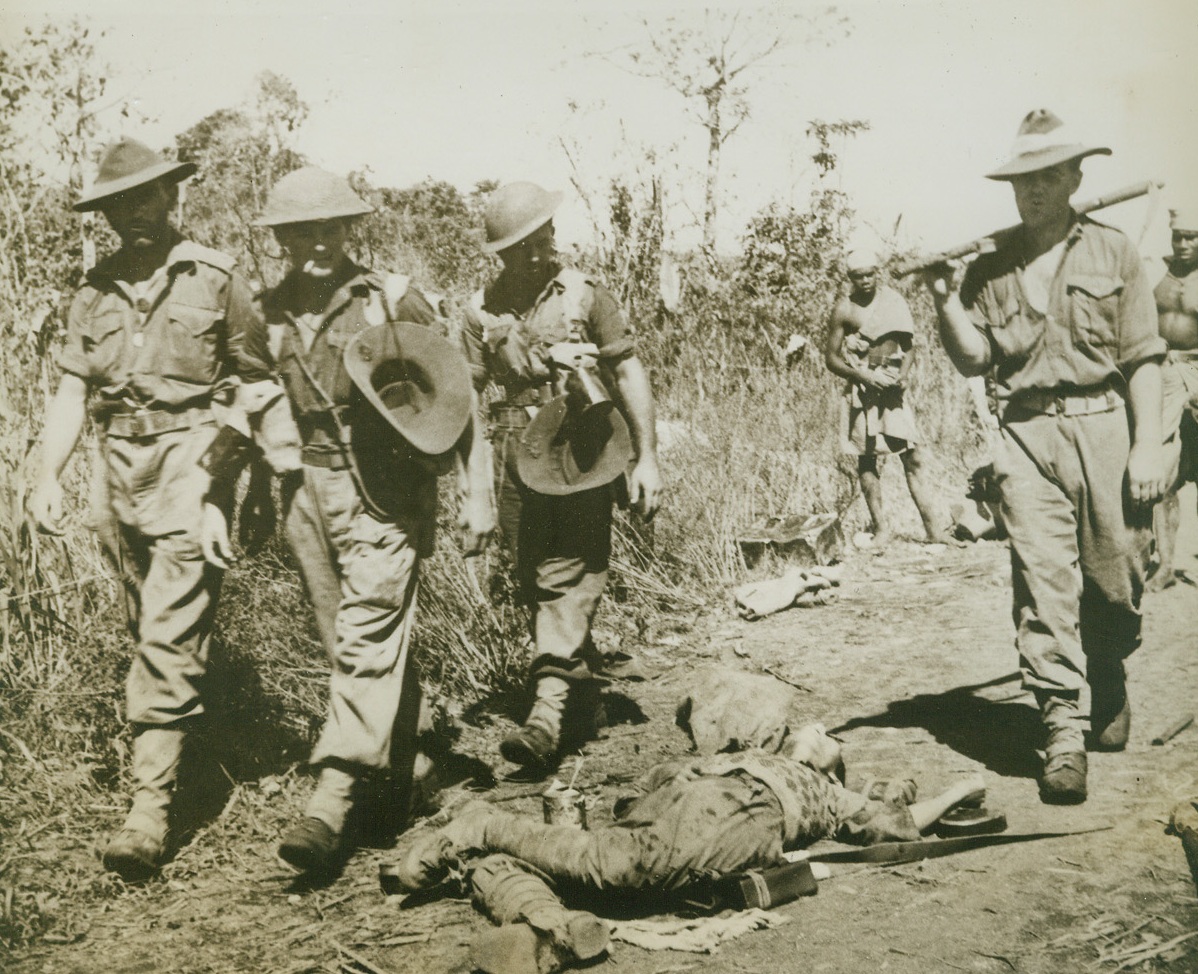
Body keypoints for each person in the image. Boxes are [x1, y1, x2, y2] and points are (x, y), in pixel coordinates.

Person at [200, 167, 494, 874]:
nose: (317, 243)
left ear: (349, 229)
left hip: (386, 490)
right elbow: (245, 404)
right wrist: (219, 493)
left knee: (366, 635)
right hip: (304, 490)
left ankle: (330, 802)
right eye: (301, 231)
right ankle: (414, 768)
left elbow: (454, 394)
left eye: (330, 228)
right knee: (351, 641)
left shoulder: (389, 300)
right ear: (281, 237)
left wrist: (477, 488)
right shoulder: (266, 314)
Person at [27, 138, 274, 880]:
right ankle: (195, 750)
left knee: (167, 634)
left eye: (145, 197)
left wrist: (233, 484)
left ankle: (149, 811)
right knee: (147, 626)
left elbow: (256, 385)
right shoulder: (93, 290)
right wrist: (46, 476)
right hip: (115, 471)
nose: (133, 213)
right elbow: (74, 390)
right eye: (117, 204)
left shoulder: (215, 278)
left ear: (171, 196)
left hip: (191, 462)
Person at [924, 110, 1166, 804]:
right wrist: (946, 301)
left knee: (1116, 577)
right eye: (1022, 180)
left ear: (1075, 179)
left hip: (1105, 426)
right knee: (1042, 584)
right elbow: (975, 358)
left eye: (1048, 176)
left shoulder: (1114, 252)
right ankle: (1061, 728)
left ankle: (1108, 667)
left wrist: (1147, 443)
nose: (1033, 191)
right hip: (1026, 436)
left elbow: (1144, 356)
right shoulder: (989, 266)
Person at [388, 723, 984, 973]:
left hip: (746, 812)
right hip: (694, 802)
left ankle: (549, 923)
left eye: (827, 737)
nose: (819, 730)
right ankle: (485, 827)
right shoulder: (747, 748)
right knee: (618, 863)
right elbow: (642, 794)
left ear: (832, 764)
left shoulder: (829, 793)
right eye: (812, 727)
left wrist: (959, 791)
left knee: (612, 868)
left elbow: (900, 825)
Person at [460, 182, 663, 770]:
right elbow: (465, 395)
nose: (533, 254)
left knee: (569, 573)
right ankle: (584, 700)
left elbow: (628, 370)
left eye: (540, 240)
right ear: (501, 252)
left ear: (552, 233)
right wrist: (474, 488)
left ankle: (546, 713)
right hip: (513, 450)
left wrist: (647, 457)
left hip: (580, 448)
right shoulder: (478, 311)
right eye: (518, 247)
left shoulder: (583, 295)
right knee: (535, 580)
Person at [824, 247, 943, 544]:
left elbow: (909, 345)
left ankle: (934, 530)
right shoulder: (844, 309)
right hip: (862, 389)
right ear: (850, 277)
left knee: (912, 457)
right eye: (858, 276)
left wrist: (902, 376)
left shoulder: (893, 301)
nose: (865, 280)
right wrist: (861, 376)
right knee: (867, 460)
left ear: (877, 273)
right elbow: (831, 358)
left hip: (891, 388)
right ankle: (881, 529)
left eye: (869, 274)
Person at [1148, 205, 1198, 591]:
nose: (1182, 243)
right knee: (1162, 471)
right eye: (1177, 236)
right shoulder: (1157, 273)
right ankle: (1165, 566)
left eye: (1190, 236)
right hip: (1163, 372)